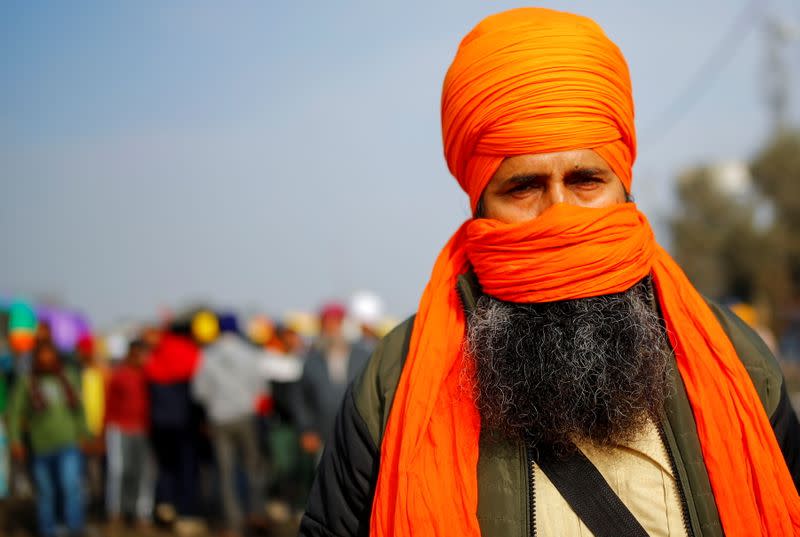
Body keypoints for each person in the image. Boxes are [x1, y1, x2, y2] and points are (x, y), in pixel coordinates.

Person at [299, 8, 800, 537]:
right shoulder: (393, 388)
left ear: (624, 188)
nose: (559, 213)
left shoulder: (736, 364)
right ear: (479, 206)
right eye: (523, 187)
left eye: (586, 179)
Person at [191, 314, 268, 537]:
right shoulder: (249, 353)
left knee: (226, 474)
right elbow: (261, 388)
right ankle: (258, 513)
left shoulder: (208, 355)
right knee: (253, 468)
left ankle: (233, 524)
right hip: (245, 416)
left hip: (219, 418)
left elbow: (199, 392)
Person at [8, 341, 87, 537]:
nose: (46, 360)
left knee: (70, 487)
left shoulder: (67, 378)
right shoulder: (26, 382)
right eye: (42, 356)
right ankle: (48, 529)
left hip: (68, 443)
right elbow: (15, 414)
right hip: (40, 446)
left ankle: (73, 528)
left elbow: (79, 410)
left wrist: (85, 434)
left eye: (49, 355)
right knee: (46, 492)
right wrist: (15, 440)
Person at [293, 302, 370, 460]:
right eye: (327, 325)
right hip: (323, 434)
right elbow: (301, 398)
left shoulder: (364, 356)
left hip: (358, 433)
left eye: (336, 324)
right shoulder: (311, 360)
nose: (331, 330)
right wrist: (307, 429)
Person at [105, 339, 154, 532]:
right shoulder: (119, 375)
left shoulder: (150, 374)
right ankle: (116, 511)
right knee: (118, 471)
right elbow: (109, 404)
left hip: (144, 429)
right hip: (120, 428)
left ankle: (142, 513)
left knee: (144, 473)